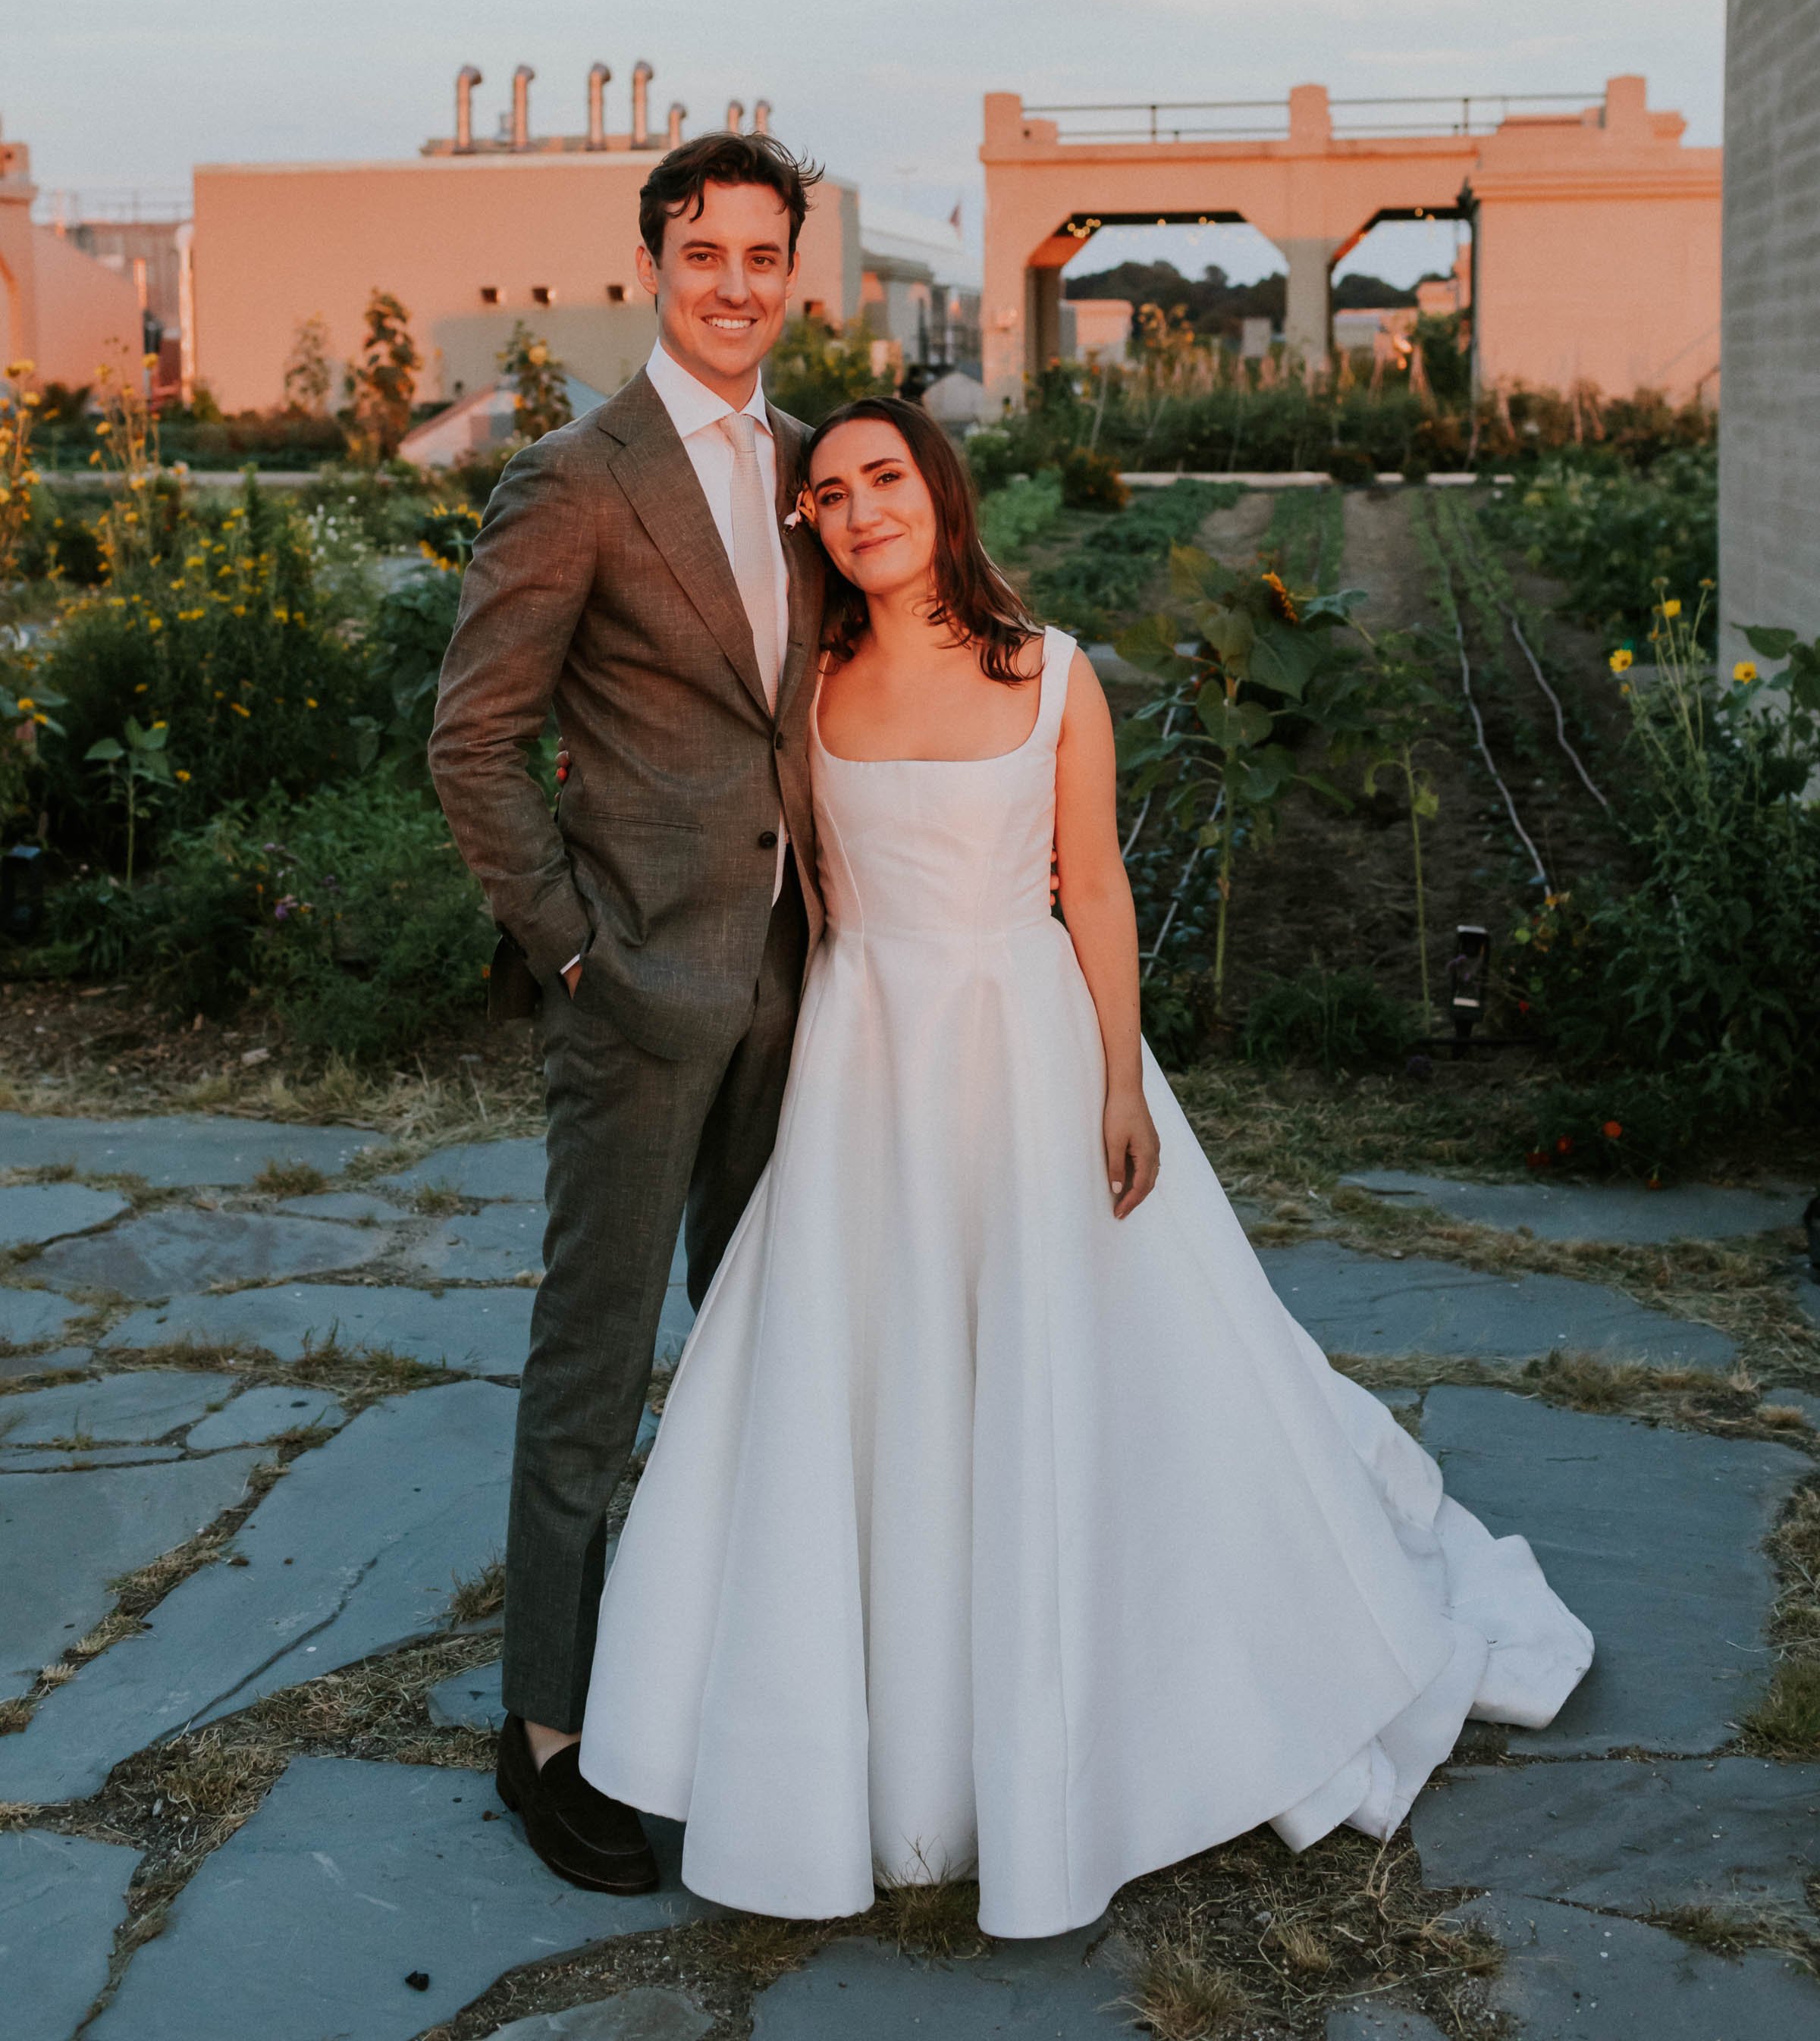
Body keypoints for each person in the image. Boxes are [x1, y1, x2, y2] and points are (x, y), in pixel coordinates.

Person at [576, 398, 1593, 1938]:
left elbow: (1097, 885)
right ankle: (873, 1749)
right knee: (877, 1383)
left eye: (887, 480)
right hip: (868, 1072)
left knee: (1064, 1370)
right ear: (811, 528)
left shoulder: (1050, 674)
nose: (862, 512)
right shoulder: (811, 685)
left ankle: (1110, 1713)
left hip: (1032, 1047)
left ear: (943, 492)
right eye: (830, 495)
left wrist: (1118, 1080)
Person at [428, 128, 827, 1895]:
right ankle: (548, 1739)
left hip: (804, 995)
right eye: (703, 251)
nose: (734, 281)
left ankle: (716, 1694)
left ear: (794, 273)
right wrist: (572, 950)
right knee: (594, 1372)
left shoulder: (822, 470)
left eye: (763, 254)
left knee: (763, 1361)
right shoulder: (579, 477)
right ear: (652, 264)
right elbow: (473, 739)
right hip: (637, 988)